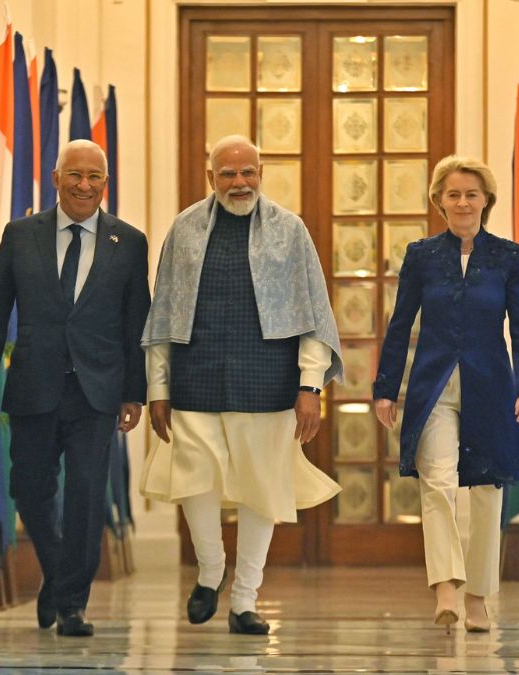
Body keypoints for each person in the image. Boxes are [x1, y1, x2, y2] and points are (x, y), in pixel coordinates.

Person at [140, 135, 343, 635]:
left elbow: (314, 314)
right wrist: (157, 388)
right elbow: (163, 312)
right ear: (211, 177)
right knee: (193, 479)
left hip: (268, 380)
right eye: (228, 173)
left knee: (261, 490)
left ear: (261, 174)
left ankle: (245, 600)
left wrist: (310, 387)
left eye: (248, 172)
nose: (239, 182)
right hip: (196, 376)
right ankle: (211, 570)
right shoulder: (184, 229)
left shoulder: (290, 230)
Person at [0, 139, 150, 637]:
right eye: (75, 175)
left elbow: (137, 323)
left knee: (87, 495)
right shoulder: (20, 235)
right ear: (56, 179)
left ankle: (71, 603)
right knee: (29, 489)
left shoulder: (130, 242)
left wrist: (134, 393)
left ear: (105, 183)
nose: (84, 185)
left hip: (98, 390)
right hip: (34, 382)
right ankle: (58, 573)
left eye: (94, 177)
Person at [372, 155, 519, 634]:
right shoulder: (421, 256)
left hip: (492, 386)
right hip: (434, 387)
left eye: (471, 194)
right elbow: (400, 325)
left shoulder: (510, 258)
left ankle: (478, 597)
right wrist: (386, 389)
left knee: (487, 492)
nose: (463, 202)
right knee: (438, 482)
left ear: (486, 200)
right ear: (439, 202)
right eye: (453, 194)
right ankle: (446, 585)